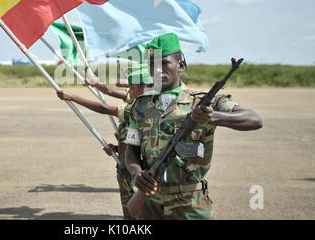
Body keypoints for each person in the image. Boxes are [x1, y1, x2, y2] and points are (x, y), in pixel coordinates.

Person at [125, 33, 263, 220]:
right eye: (151, 64)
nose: (157, 70)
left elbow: (254, 119)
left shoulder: (204, 102)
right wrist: (137, 174)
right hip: (150, 203)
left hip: (190, 204)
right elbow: (132, 148)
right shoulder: (140, 105)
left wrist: (214, 117)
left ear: (180, 65)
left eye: (163, 63)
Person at [56, 66, 153, 219]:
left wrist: (72, 97)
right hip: (127, 167)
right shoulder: (140, 104)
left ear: (143, 88)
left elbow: (104, 108)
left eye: (131, 87)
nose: (128, 91)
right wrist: (118, 147)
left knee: (138, 213)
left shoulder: (136, 109)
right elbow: (138, 144)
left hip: (135, 173)